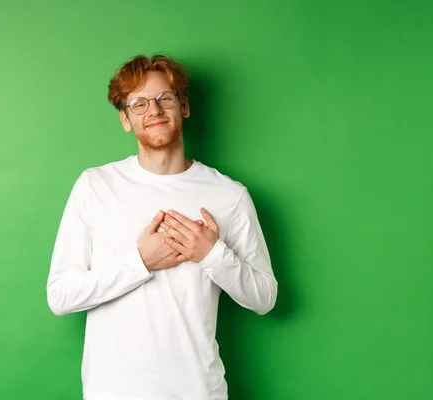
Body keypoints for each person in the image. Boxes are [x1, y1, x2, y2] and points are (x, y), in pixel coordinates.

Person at [46, 54, 278, 400]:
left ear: (182, 105)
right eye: (138, 104)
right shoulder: (95, 186)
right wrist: (139, 261)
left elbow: (265, 297)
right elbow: (60, 295)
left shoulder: (229, 196)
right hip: (112, 391)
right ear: (126, 119)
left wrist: (212, 254)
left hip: (199, 391)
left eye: (163, 98)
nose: (153, 111)